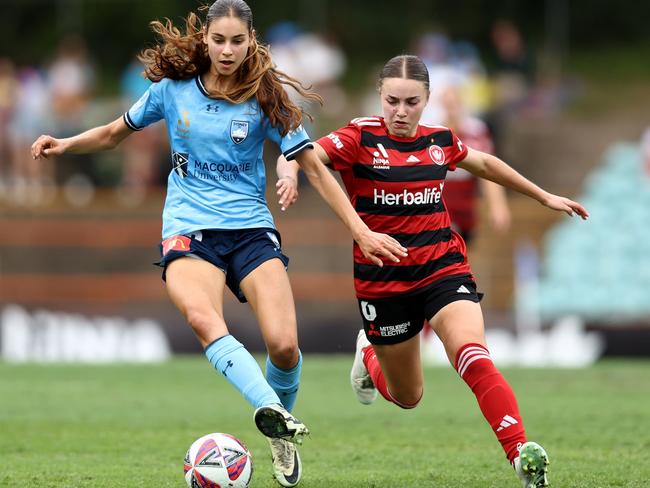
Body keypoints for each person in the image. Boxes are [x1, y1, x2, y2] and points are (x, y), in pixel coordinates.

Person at [30, 2, 406, 487]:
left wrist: (359, 229)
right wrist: (65, 144)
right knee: (203, 317)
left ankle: (277, 434)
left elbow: (313, 165)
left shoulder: (266, 97)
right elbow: (111, 135)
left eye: (237, 41)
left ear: (252, 42)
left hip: (250, 229)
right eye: (219, 40)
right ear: (204, 40)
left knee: (286, 348)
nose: (227, 50)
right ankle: (271, 409)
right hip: (188, 227)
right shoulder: (171, 91)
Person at [280, 54, 588, 487]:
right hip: (383, 282)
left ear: (426, 101)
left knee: (473, 354)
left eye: (411, 102)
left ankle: (521, 454)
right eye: (392, 101)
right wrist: (289, 173)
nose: (400, 112)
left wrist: (543, 196)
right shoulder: (358, 137)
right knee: (409, 397)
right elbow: (300, 154)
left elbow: (482, 163)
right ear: (379, 97)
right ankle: (368, 354)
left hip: (443, 268)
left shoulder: (439, 140)